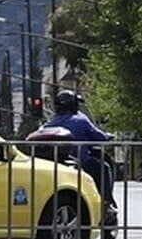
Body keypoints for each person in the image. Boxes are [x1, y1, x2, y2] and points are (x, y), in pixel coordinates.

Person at [41, 89, 117, 220]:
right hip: (82, 162)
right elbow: (100, 137)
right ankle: (107, 202)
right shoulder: (81, 120)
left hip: (56, 165)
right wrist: (108, 136)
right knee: (104, 168)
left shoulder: (49, 124)